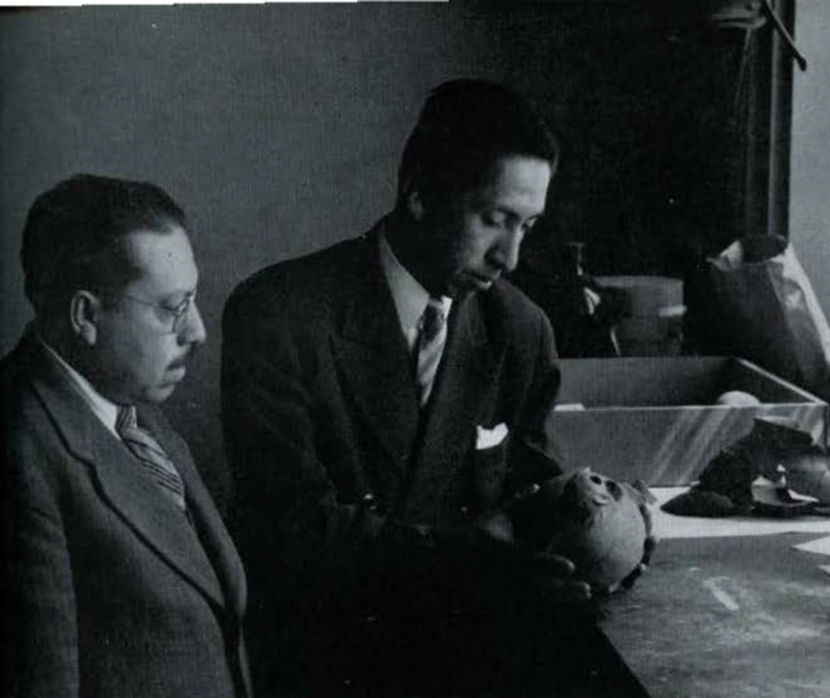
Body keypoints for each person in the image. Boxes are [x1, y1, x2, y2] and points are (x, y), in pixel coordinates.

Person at [222, 80, 651, 698]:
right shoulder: (279, 315)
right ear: (419, 194)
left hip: (463, 666)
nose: (511, 255)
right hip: (322, 666)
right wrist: (471, 559)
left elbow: (532, 495)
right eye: (495, 220)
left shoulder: (520, 330)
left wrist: (617, 531)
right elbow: (287, 527)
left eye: (528, 226)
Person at [1, 174, 251, 698]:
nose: (198, 331)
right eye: (171, 308)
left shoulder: (131, 409)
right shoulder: (19, 448)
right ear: (86, 315)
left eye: (193, 301)